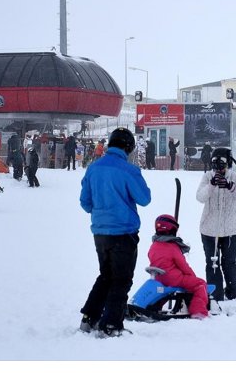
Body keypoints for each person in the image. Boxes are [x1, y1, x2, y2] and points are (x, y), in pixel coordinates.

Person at [79, 127, 152, 338]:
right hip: (124, 232)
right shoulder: (128, 170)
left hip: (100, 232)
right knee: (121, 280)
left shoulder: (93, 168)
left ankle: (89, 319)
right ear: (128, 147)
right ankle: (111, 325)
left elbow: (85, 203)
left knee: (106, 276)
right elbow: (145, 199)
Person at [196, 147, 236, 301]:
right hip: (209, 229)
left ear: (228, 164)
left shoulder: (235, 177)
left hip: (231, 229)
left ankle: (233, 293)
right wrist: (211, 185)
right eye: (215, 164)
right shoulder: (207, 177)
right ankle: (215, 295)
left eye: (222, 164)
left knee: (229, 263)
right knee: (212, 262)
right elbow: (200, 197)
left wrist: (231, 186)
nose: (219, 168)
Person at [148, 214, 209, 319]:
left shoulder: (154, 245)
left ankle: (153, 306)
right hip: (173, 279)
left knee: (165, 291)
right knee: (200, 283)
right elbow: (183, 266)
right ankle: (198, 312)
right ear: (172, 229)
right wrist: (192, 277)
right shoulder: (172, 247)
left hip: (158, 278)